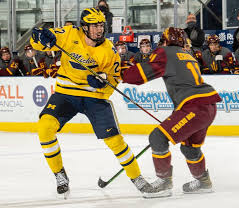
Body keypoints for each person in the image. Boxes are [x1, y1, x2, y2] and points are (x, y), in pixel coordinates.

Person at [30, 7, 155, 198]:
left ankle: (137, 178)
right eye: (94, 26)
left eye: (101, 25)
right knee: (44, 127)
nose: (98, 29)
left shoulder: (109, 50)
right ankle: (59, 174)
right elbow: (38, 43)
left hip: (94, 97)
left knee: (115, 140)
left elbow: (113, 81)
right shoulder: (69, 33)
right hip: (65, 93)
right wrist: (38, 39)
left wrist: (103, 80)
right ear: (84, 27)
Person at [121, 27, 221, 197]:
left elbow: (139, 75)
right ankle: (203, 182)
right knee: (190, 148)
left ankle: (164, 184)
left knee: (157, 138)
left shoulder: (164, 51)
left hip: (194, 106)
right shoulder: (188, 54)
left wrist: (119, 73)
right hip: (208, 104)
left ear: (166, 40)